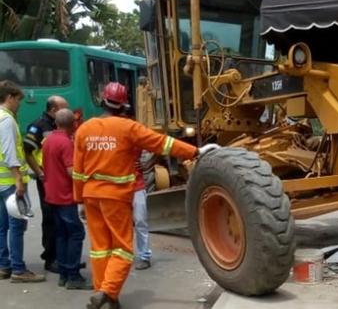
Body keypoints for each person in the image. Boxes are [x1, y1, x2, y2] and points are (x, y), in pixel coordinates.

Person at [73, 82, 218, 309]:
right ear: (123, 105)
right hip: (115, 198)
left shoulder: (85, 129)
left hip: (91, 196)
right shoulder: (128, 127)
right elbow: (163, 143)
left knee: (100, 248)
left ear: (103, 101)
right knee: (123, 249)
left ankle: (103, 292)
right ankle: (108, 292)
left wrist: (79, 200)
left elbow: (78, 170)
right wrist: (195, 151)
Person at [0, 80, 46, 283]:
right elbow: (10, 152)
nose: (19, 104)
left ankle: (4, 266)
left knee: (1, 227)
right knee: (17, 226)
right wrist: (19, 179)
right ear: (9, 98)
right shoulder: (7, 120)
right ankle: (18, 269)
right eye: (18, 100)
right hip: (10, 182)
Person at [42, 108, 92, 290]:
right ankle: (73, 275)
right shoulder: (65, 143)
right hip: (65, 197)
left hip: (52, 196)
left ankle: (63, 273)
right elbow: (72, 171)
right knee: (76, 233)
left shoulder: (48, 141)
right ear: (72, 124)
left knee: (61, 234)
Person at [23, 95, 69, 273]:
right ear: (53, 110)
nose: (68, 111)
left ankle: (64, 257)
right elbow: (28, 152)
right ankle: (50, 258)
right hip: (47, 180)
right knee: (50, 218)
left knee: (63, 218)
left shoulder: (60, 124)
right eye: (64, 108)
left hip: (61, 179)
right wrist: (40, 173)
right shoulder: (38, 126)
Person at [132, 151, 152, 270]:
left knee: (140, 221)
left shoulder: (135, 137)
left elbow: (157, 148)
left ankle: (144, 256)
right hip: (117, 189)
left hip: (137, 187)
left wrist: (148, 163)